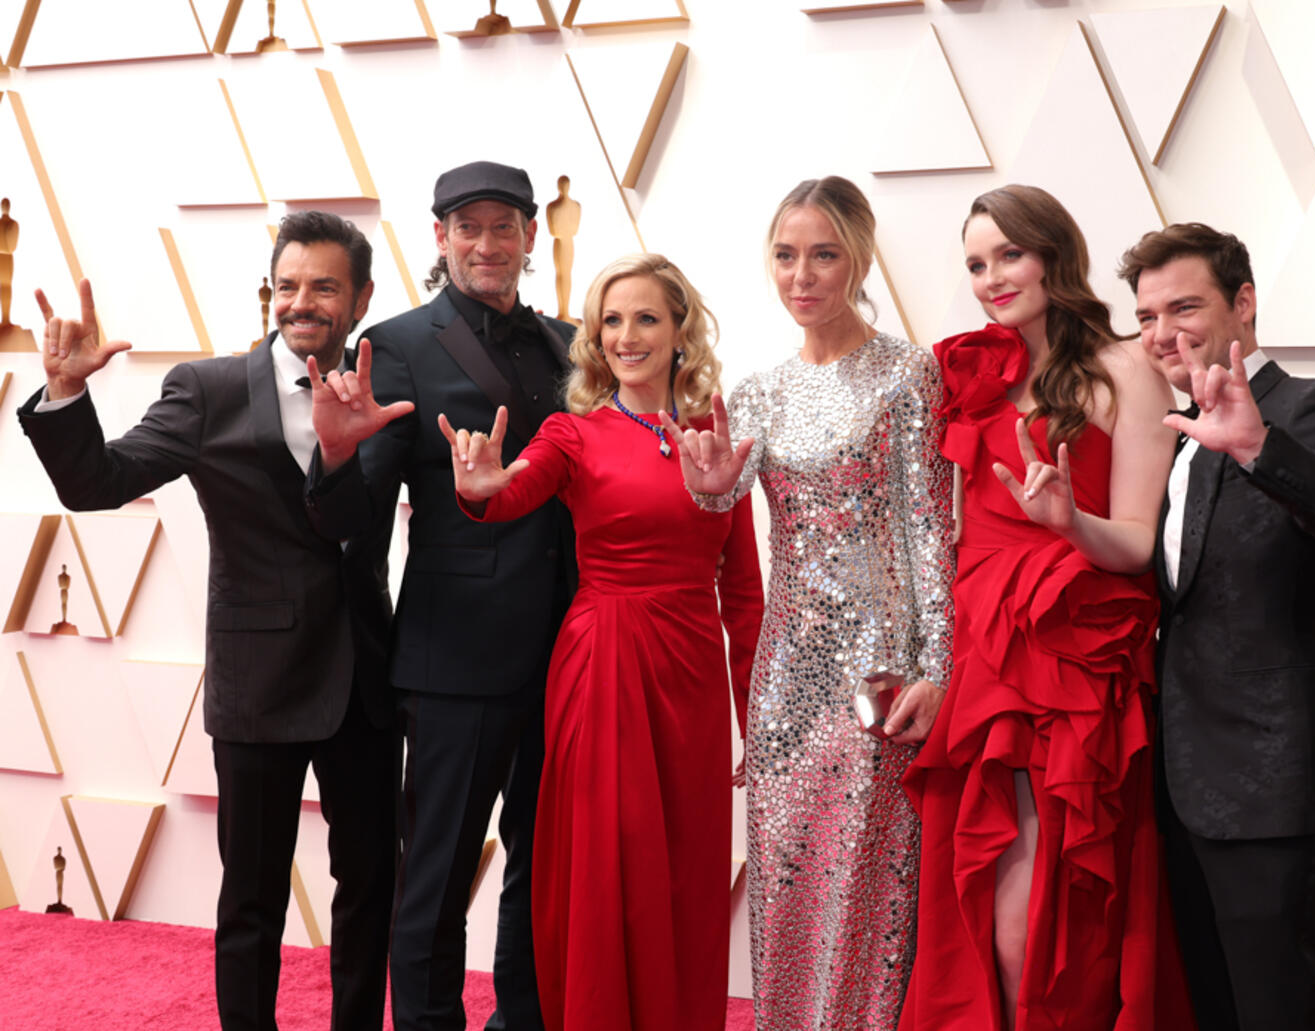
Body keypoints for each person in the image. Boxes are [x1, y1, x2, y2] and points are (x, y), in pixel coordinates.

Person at [17, 211, 399, 1031]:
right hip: (259, 684)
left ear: (360, 297)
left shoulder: (385, 386)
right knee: (251, 900)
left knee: (371, 890)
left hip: (366, 679)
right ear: (271, 292)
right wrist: (66, 393)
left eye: (325, 286)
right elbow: (98, 481)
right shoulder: (210, 389)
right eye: (289, 284)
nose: (303, 301)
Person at [441, 253, 763, 1031]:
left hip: (690, 674)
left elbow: (744, 592)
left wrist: (754, 714)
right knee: (608, 860)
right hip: (605, 660)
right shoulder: (571, 433)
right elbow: (514, 490)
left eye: (647, 317)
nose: (627, 335)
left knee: (685, 866)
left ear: (681, 329)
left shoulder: (714, 438)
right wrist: (477, 486)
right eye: (611, 321)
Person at [663, 176, 954, 1030]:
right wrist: (710, 493)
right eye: (786, 256)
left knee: (868, 884)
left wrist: (935, 668)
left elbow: (929, 534)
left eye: (823, 254)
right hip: (787, 678)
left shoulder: (907, 375)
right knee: (788, 880)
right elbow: (718, 514)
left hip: (878, 678)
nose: (803, 275)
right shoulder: (756, 393)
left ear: (858, 257)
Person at [1119, 222, 1315, 1031]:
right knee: (1216, 1014)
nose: (1161, 333)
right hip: (1185, 788)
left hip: (1278, 786)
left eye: (1183, 306)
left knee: (1276, 1016)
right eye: (1146, 316)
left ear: (1243, 304)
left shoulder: (1306, 409)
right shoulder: (1178, 440)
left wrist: (1261, 448)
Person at [898, 184, 1183, 1031]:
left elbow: (1135, 540)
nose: (991, 278)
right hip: (986, 649)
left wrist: (1067, 520)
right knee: (985, 898)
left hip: (1077, 642)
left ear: (1054, 253)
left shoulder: (1131, 368)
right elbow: (948, 536)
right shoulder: (974, 373)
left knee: (1065, 903)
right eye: (977, 264)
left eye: (1008, 255)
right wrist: (937, 664)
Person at [305, 160, 576, 1031]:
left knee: (543, 868)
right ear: (440, 238)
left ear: (532, 236)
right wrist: (338, 455)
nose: (487, 244)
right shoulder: (398, 344)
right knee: (436, 875)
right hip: (454, 661)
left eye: (505, 226)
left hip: (569, 652)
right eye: (469, 227)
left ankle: (522, 1021)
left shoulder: (572, 344)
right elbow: (354, 525)